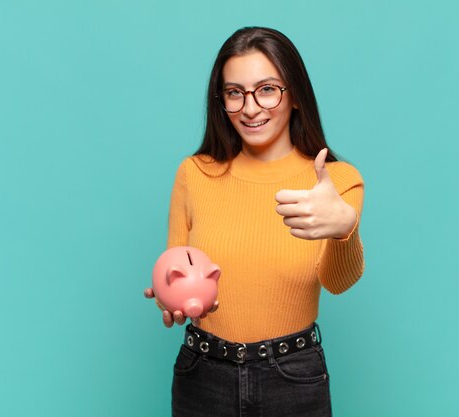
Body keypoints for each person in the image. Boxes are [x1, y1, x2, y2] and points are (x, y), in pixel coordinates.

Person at [144, 26, 364, 417]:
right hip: (203, 372)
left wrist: (344, 229)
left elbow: (338, 282)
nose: (249, 108)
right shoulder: (194, 173)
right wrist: (169, 299)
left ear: (294, 94)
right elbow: (175, 266)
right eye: (234, 93)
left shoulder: (335, 181)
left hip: (293, 375)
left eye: (266, 89)